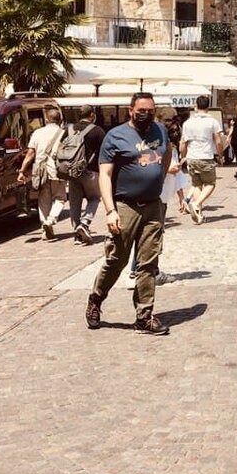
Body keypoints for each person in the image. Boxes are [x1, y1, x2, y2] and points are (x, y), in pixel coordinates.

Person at [85, 92, 172, 336]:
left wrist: (160, 178)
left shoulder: (160, 131)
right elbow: (105, 175)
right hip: (124, 206)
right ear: (130, 110)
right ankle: (96, 299)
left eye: (151, 110)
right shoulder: (116, 136)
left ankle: (144, 316)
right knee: (117, 260)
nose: (147, 114)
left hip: (153, 206)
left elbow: (166, 154)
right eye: (141, 110)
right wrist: (110, 210)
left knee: (148, 263)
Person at [19, 107, 68, 240]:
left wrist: (22, 170)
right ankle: (50, 220)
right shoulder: (64, 133)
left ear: (47, 119)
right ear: (60, 120)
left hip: (40, 170)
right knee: (60, 197)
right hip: (57, 170)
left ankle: (44, 228)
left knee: (43, 199)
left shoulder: (37, 133)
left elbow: (30, 154)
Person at [65, 105, 106, 245]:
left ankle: (77, 234)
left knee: (74, 203)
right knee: (94, 198)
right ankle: (85, 223)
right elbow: (105, 152)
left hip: (72, 172)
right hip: (91, 171)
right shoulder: (98, 131)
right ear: (92, 115)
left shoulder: (69, 129)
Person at [180, 95, 224, 221]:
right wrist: (220, 155)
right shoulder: (212, 122)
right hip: (206, 157)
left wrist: (183, 157)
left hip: (191, 157)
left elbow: (183, 142)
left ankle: (198, 213)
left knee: (197, 184)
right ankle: (196, 203)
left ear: (196, 106)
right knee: (210, 183)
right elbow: (218, 141)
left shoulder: (188, 123)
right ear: (208, 107)